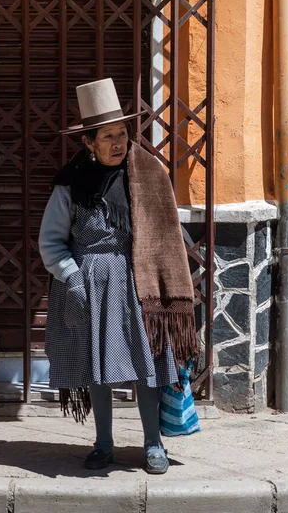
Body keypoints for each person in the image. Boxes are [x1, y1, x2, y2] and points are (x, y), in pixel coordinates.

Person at [39, 78, 197, 474]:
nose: (117, 142)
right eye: (107, 136)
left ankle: (152, 444)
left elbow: (164, 231)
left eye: (122, 133)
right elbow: (51, 242)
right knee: (98, 368)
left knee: (149, 365)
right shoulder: (70, 184)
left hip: (138, 282)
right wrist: (72, 280)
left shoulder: (146, 175)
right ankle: (103, 444)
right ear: (89, 142)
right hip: (88, 284)